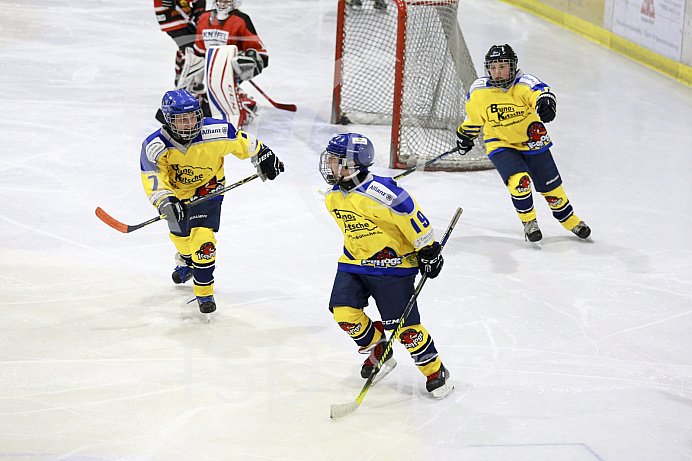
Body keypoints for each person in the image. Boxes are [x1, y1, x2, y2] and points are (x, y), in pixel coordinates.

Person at [319, 133, 454, 399]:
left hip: (393, 268)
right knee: (345, 314)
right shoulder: (333, 197)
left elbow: (415, 219)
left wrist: (428, 251)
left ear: (353, 164)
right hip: (353, 263)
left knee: (404, 328)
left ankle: (435, 371)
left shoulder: (383, 194)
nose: (330, 165)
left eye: (335, 160)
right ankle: (379, 348)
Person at [140, 89, 284, 314]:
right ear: (168, 120)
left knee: (203, 240)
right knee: (180, 237)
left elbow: (243, 142)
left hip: (209, 190)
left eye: (192, 117)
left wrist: (264, 154)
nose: (189, 124)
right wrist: (165, 200)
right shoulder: (155, 146)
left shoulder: (215, 131)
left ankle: (204, 293)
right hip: (177, 195)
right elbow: (154, 178)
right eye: (181, 120)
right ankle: (186, 260)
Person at [456, 44, 591, 242]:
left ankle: (569, 219)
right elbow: (474, 119)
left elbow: (540, 92)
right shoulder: (479, 91)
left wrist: (546, 103)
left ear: (512, 66)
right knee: (519, 182)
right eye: (493, 68)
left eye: (502, 67)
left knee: (552, 189)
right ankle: (529, 223)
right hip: (500, 143)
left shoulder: (524, 83)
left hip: (533, 141)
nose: (498, 73)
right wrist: (465, 135)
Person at [191, 0, 269, 125]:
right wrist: (197, 82)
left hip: (230, 71)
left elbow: (260, 53)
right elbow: (199, 53)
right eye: (220, 0)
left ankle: (242, 104)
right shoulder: (204, 18)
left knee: (220, 112)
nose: (223, 4)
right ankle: (241, 101)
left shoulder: (241, 20)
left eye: (227, 0)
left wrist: (249, 61)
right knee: (204, 109)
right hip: (209, 70)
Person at [153, 0, 207, 86]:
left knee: (191, 47)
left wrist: (199, 11)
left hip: (182, 17)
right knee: (192, 48)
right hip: (172, 18)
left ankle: (181, 73)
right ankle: (186, 80)